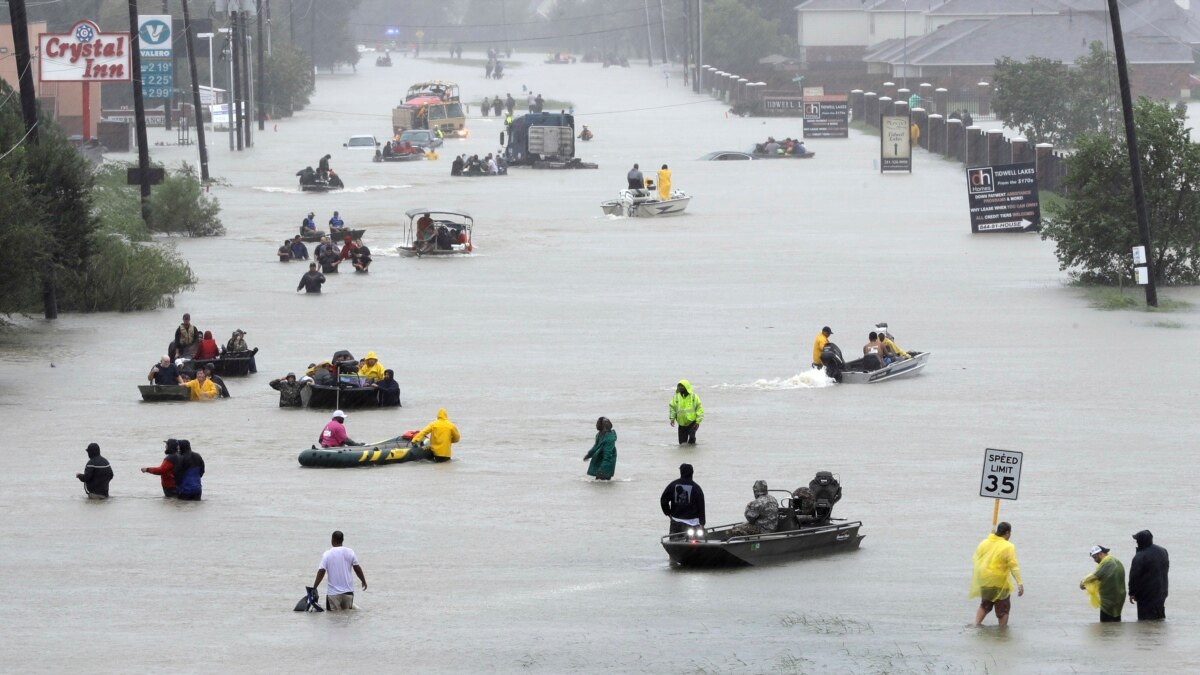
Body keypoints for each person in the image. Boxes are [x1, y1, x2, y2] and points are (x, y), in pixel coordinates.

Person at [970, 521, 1024, 626]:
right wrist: (1019, 583)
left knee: (984, 606)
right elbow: (1013, 566)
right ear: (1007, 533)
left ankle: (976, 624)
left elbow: (977, 558)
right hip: (1000, 583)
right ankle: (1002, 633)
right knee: (1003, 610)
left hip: (986, 580)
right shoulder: (1008, 546)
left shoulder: (984, 542)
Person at [313, 531, 367, 611]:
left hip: (333, 594)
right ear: (343, 540)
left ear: (332, 540)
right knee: (347, 618)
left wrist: (314, 587)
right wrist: (363, 581)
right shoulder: (350, 552)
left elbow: (321, 571)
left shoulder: (327, 554)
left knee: (332, 620)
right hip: (348, 593)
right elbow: (357, 568)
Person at [1128, 530, 1169, 620]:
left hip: (1146, 595)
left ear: (1141, 541)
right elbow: (1166, 568)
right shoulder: (1163, 551)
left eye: (1137, 540)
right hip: (1162, 591)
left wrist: (1132, 592)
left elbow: (1134, 576)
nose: (1136, 542)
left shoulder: (1140, 556)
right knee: (1159, 618)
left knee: (1145, 621)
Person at [1081, 545, 1126, 622]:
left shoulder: (1107, 563)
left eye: (1095, 557)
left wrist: (1083, 583)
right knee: (1116, 622)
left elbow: (1095, 576)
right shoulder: (1115, 561)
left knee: (1106, 625)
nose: (1095, 560)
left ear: (1100, 554)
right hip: (1118, 597)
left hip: (1109, 600)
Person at [660, 463, 705, 535]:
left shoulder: (672, 485)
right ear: (692, 473)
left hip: (676, 522)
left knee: (675, 544)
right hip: (693, 524)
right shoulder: (696, 488)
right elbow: (701, 506)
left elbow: (663, 500)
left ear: (680, 472)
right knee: (696, 544)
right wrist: (702, 524)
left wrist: (669, 514)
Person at [668, 380, 704, 445]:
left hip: (692, 422)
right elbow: (672, 408)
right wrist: (672, 419)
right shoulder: (676, 397)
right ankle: (684, 454)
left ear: (686, 387)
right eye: (679, 386)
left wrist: (698, 422)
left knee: (692, 438)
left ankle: (692, 452)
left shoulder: (694, 397)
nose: (680, 387)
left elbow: (699, 408)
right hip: (682, 424)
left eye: (682, 386)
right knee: (682, 444)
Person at [583, 417, 617, 481]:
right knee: (598, 482)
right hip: (601, 458)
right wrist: (588, 455)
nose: (596, 425)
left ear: (603, 426)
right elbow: (595, 447)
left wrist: (602, 469)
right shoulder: (599, 434)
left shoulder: (609, 438)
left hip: (608, 461)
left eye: (598, 423)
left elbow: (608, 455)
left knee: (602, 481)